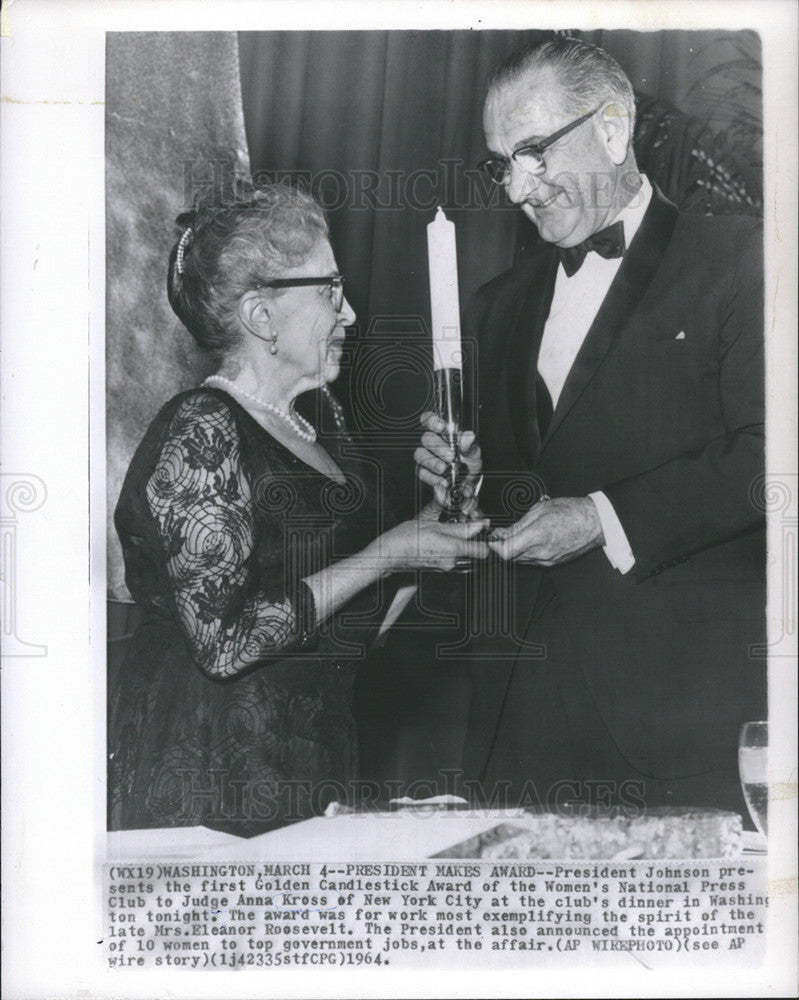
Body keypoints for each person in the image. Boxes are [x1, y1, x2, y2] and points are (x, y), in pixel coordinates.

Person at [416, 37, 765, 816]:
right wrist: (460, 484)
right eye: (501, 163)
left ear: (612, 128)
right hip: (516, 713)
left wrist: (601, 517)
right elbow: (511, 492)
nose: (517, 188)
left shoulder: (744, 261)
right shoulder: (494, 305)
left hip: (674, 713)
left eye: (534, 152)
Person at [108, 183, 488, 837]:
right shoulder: (204, 426)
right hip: (208, 777)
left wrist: (435, 528)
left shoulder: (322, 432)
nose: (349, 315)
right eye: (329, 291)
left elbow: (350, 633)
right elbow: (226, 646)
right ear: (261, 317)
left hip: (311, 772)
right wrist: (388, 551)